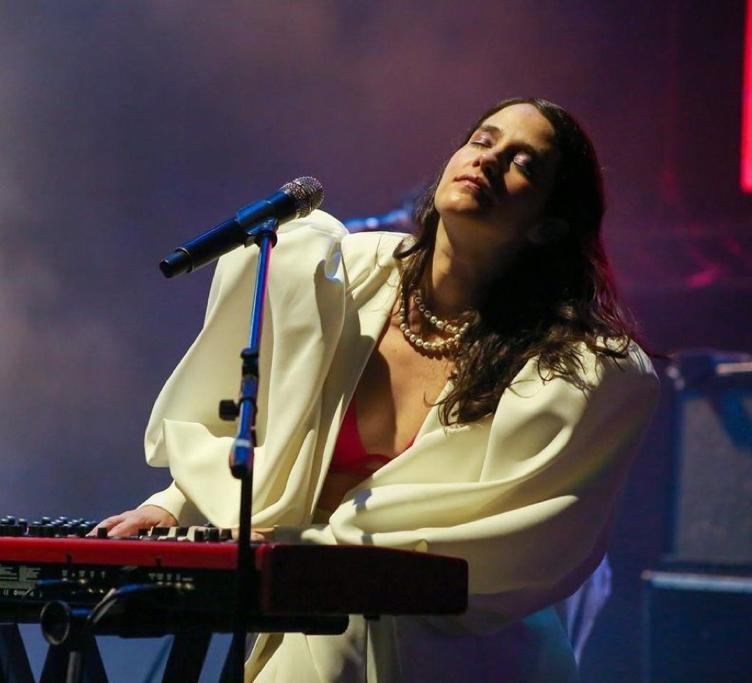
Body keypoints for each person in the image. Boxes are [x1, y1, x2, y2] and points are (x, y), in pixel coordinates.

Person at [96, 98, 659, 682]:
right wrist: (174, 506)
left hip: (457, 653)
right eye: (483, 141)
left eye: (523, 163)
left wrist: (304, 549)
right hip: (306, 616)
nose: (488, 161)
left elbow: (510, 547)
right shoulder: (343, 277)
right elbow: (266, 430)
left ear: (549, 222)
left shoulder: (575, 369)